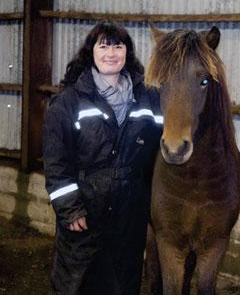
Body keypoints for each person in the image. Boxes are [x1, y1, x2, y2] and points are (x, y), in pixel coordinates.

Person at [43, 21, 162, 294]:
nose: (111, 53)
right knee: (76, 283)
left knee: (123, 283)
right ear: (91, 52)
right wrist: (70, 209)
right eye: (104, 45)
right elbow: (55, 162)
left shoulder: (149, 99)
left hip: (130, 213)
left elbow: (172, 137)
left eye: (118, 46)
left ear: (127, 53)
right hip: (85, 211)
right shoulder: (69, 102)